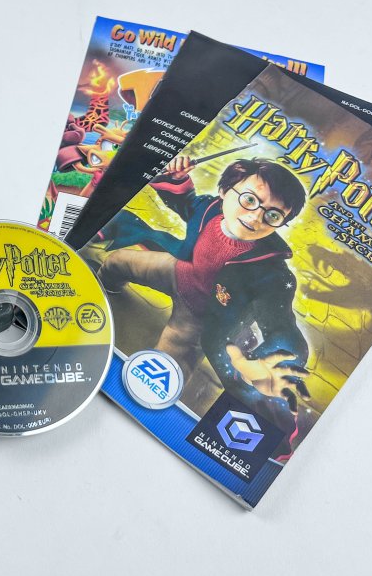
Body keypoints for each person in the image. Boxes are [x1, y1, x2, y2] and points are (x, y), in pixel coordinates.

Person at [98, 155, 311, 434]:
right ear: (224, 191)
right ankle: (104, 287)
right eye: (249, 200)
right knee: (117, 262)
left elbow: (283, 326)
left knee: (161, 373)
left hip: (201, 316)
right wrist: (176, 177)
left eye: (272, 215)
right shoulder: (209, 208)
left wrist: (277, 361)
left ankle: (134, 422)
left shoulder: (273, 275)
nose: (255, 217)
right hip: (179, 271)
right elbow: (184, 201)